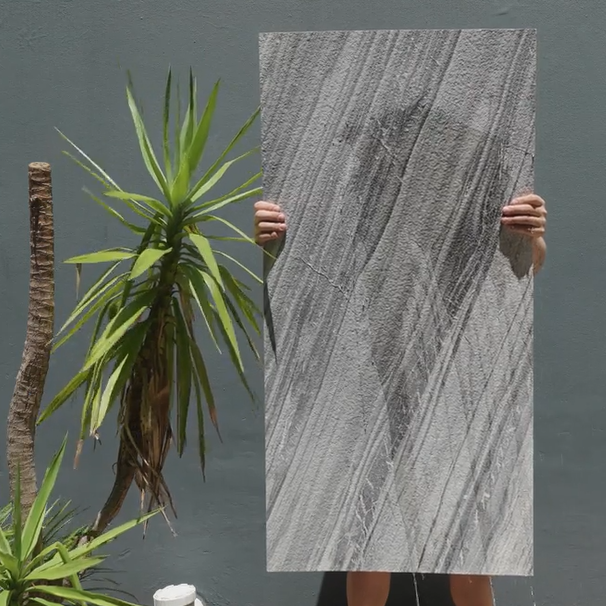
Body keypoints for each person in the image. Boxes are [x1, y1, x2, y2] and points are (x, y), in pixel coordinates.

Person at [254, 194, 547, 606]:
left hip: (453, 358)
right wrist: (264, 240)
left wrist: (531, 239)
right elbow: (308, 268)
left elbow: (522, 269)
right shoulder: (347, 193)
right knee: (366, 542)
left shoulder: (471, 183)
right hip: (366, 362)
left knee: (468, 543)